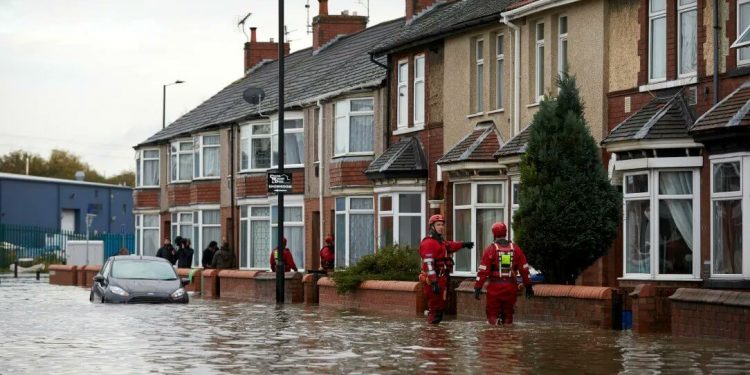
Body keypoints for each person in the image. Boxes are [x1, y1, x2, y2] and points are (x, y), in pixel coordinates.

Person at [474, 222, 533, 325]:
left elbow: (483, 271)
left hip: (495, 287)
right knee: (508, 315)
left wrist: (478, 287)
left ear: (494, 234)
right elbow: (524, 269)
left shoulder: (490, 250)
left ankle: (495, 337)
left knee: (492, 314)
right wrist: (528, 286)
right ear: (505, 233)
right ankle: (508, 337)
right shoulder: (516, 249)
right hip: (510, 287)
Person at [419, 214, 474, 324]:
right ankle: (431, 334)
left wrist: (463, 244)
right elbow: (428, 264)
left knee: (440, 309)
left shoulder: (441, 241)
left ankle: (437, 335)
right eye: (438, 225)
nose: (441, 227)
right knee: (435, 308)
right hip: (434, 280)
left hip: (442, 279)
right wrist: (434, 281)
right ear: (432, 227)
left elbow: (451, 245)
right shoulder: (428, 242)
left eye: (442, 225)